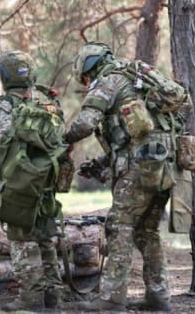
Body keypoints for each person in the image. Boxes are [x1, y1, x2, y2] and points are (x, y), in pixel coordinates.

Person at [65, 42, 185, 312]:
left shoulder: (107, 81)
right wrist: (99, 162)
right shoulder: (134, 82)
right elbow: (132, 138)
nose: (86, 84)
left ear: (88, 69)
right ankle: (159, 295)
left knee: (119, 227)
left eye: (85, 79)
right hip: (165, 165)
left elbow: (86, 123)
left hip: (139, 168)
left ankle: (111, 298)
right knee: (147, 231)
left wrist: (64, 140)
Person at [0, 50, 64, 310]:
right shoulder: (44, 101)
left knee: (21, 238)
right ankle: (54, 297)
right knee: (44, 238)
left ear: (5, 76)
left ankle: (30, 299)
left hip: (20, 183)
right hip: (44, 182)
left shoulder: (6, 105)